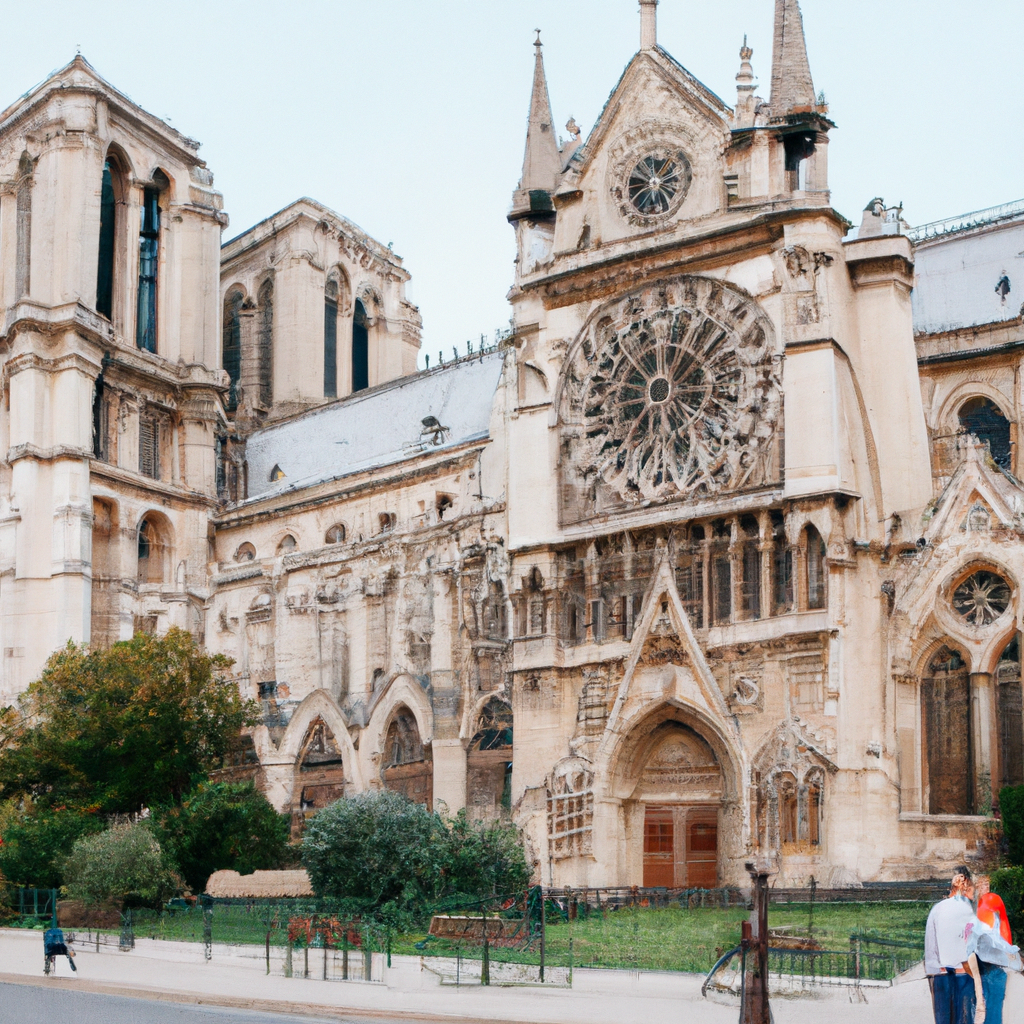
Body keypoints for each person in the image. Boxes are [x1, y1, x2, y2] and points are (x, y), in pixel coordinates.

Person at [925, 866, 982, 1024]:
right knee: (964, 1018)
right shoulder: (968, 911)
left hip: (940, 975)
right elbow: (974, 945)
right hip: (963, 974)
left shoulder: (936, 910)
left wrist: (935, 970)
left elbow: (930, 949)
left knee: (943, 1019)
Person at [964, 887, 1022, 1024]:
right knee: (994, 1009)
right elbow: (1002, 944)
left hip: (978, 967)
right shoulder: (990, 921)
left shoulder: (973, 922)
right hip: (992, 968)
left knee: (982, 1006)